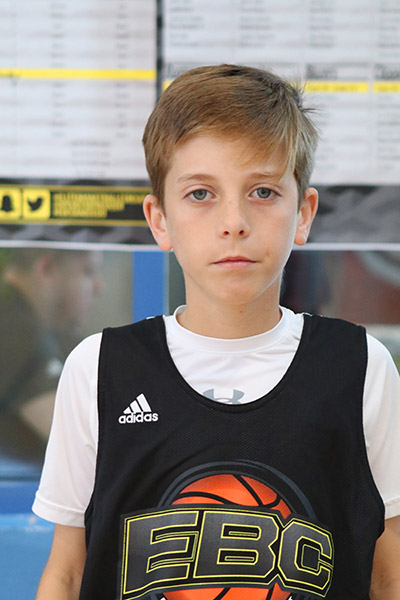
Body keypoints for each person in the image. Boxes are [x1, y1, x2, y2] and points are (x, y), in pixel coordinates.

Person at [33, 65, 400, 599]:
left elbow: (389, 571)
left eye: (263, 191)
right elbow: (67, 572)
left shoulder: (360, 367)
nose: (234, 221)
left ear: (304, 214)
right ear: (160, 219)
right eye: (201, 193)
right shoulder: (99, 368)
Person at [0, 248, 104, 448]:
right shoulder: (16, 329)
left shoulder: (23, 322)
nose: (99, 287)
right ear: (46, 269)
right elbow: (86, 442)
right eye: (88, 271)